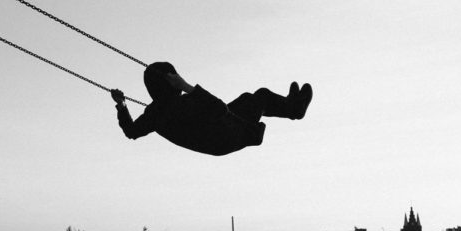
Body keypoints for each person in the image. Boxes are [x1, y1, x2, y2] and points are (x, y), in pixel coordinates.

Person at [111, 62, 312, 156]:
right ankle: (295, 109)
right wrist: (187, 87)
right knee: (262, 97)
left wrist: (122, 105)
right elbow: (219, 109)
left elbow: (131, 131)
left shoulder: (154, 113)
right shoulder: (180, 104)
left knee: (249, 98)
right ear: (171, 82)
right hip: (226, 134)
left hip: (215, 136)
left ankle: (291, 105)